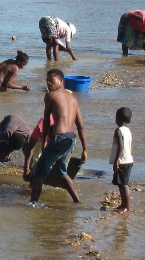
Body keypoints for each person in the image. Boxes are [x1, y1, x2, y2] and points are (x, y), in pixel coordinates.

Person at [29, 69, 88, 205]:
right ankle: (77, 201)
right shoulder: (73, 99)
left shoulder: (50, 96)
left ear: (62, 81)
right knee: (62, 171)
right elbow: (80, 126)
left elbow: (46, 120)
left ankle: (33, 204)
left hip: (59, 139)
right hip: (71, 139)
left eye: (52, 81)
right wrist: (85, 148)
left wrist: (45, 142)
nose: (49, 83)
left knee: (38, 173)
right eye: (47, 81)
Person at [110, 107, 133, 213]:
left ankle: (126, 207)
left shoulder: (118, 130)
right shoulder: (128, 130)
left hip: (122, 161)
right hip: (128, 160)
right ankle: (123, 204)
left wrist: (116, 161)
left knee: (123, 184)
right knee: (121, 183)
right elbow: (130, 146)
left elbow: (121, 146)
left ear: (118, 119)